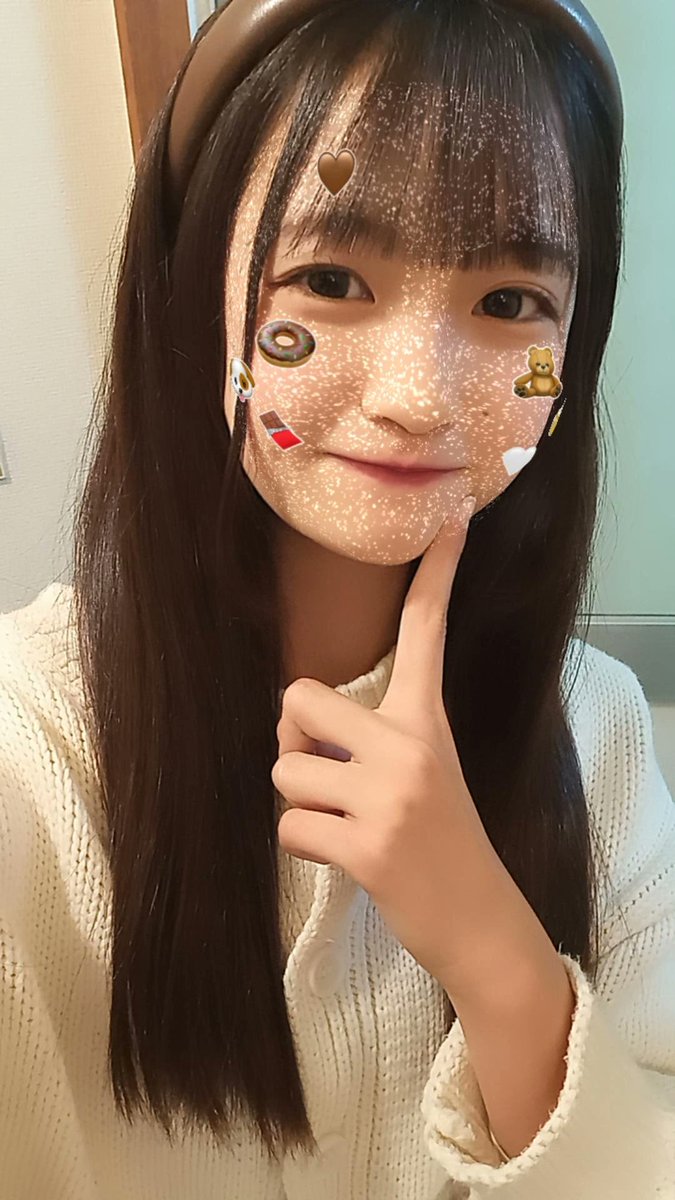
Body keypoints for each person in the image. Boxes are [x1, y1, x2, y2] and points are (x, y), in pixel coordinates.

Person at [1, 0, 673, 1196]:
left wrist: (495, 952)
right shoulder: (26, 753)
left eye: (508, 302)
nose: (417, 396)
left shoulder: (599, 730)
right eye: (330, 277)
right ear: (191, 286)